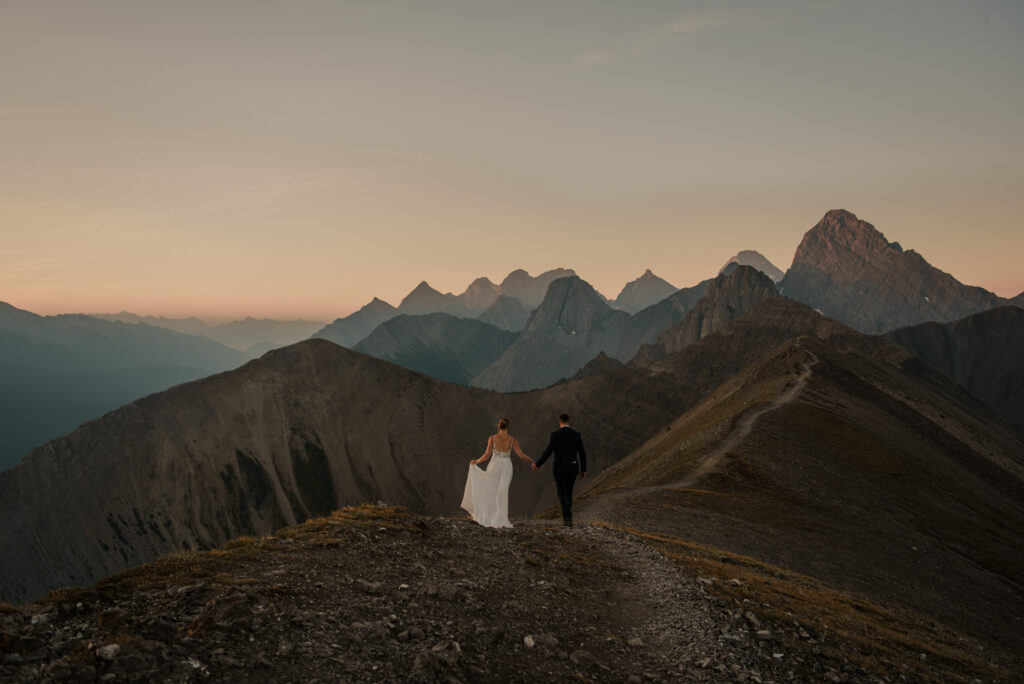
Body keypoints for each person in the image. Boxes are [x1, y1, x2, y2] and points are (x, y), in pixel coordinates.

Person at [461, 418, 534, 528]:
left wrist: (476, 461)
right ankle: (500, 518)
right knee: (502, 492)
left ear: (498, 426)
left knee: (491, 489)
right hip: (507, 466)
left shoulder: (492, 438)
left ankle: (489, 515)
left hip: (495, 465)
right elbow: (521, 455)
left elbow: (486, 455)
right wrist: (532, 461)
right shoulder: (512, 440)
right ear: (508, 427)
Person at [532, 414, 587, 526]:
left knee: (562, 493)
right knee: (569, 492)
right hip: (573, 467)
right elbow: (582, 453)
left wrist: (538, 464)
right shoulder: (576, 435)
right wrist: (583, 469)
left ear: (559, 422)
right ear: (569, 421)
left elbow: (548, 452)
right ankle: (567, 517)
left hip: (560, 468)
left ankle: (567, 518)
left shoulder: (555, 435)